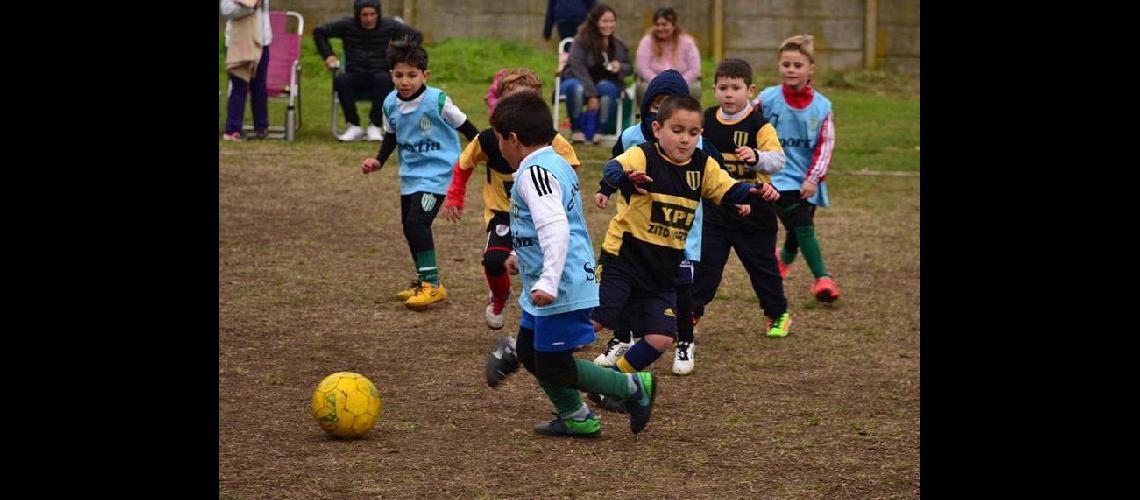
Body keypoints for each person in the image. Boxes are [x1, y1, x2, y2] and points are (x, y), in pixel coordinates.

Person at [488, 91, 657, 437]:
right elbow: (552, 226)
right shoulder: (553, 163)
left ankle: (632, 388)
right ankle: (576, 416)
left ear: (513, 139)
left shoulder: (534, 174)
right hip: (550, 279)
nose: (497, 148)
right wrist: (523, 256)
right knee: (530, 353)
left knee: (552, 363)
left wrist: (548, 280)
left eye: (498, 139)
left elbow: (556, 228)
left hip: (559, 286)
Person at [590, 95, 779, 393]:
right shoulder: (643, 155)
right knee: (597, 321)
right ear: (657, 129)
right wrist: (626, 178)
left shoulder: (702, 166)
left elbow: (729, 189)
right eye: (677, 130)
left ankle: (611, 381)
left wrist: (757, 191)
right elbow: (612, 168)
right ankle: (547, 354)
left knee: (660, 339)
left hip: (663, 268)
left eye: (693, 133)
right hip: (624, 260)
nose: (685, 139)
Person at [437, 69, 580, 383]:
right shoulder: (490, 139)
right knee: (493, 260)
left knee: (542, 274)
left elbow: (571, 169)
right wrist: (455, 197)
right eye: (513, 98)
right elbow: (463, 165)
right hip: (503, 215)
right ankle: (501, 299)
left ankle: (542, 336)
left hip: (541, 218)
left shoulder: (550, 145)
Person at [591, 70, 725, 378]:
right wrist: (606, 189)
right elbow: (614, 167)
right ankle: (622, 338)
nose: (660, 107)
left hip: (681, 233)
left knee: (681, 288)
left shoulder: (697, 142)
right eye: (656, 102)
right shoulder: (631, 138)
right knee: (625, 288)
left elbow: (720, 177)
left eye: (669, 102)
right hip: (638, 233)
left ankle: (685, 341)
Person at [360, 42, 480, 309]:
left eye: (412, 75)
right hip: (410, 176)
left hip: (439, 175)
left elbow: (468, 128)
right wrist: (378, 160)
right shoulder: (390, 103)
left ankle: (432, 285)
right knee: (408, 226)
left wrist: (488, 153)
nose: (405, 81)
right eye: (399, 75)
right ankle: (423, 279)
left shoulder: (437, 101)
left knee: (417, 223)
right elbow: (392, 135)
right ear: (391, 74)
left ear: (425, 75)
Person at [691, 58, 792, 339]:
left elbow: (778, 161)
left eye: (735, 88)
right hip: (718, 208)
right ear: (714, 89)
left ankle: (777, 313)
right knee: (706, 265)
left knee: (762, 268)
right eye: (723, 87)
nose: (729, 94)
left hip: (756, 210)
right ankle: (692, 313)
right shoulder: (706, 121)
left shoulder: (760, 126)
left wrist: (757, 157)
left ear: (750, 90)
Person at [752, 35, 840, 303]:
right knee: (801, 224)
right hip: (776, 176)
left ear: (810, 68)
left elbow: (825, 145)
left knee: (798, 227)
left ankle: (782, 262)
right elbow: (748, 122)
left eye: (797, 65)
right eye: (786, 64)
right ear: (779, 66)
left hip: (807, 178)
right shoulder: (767, 99)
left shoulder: (822, 106)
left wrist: (813, 179)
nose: (791, 69)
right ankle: (822, 279)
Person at [314, 0, 423, 142]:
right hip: (355, 74)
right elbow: (319, 32)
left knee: (384, 79)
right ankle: (353, 126)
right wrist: (328, 55)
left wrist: (400, 56)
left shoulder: (389, 25)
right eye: (364, 15)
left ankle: (375, 126)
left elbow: (417, 36)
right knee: (341, 80)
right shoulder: (347, 25)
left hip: (380, 74)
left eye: (372, 14)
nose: (368, 19)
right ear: (357, 15)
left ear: (378, 14)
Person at [559, 3, 631, 144]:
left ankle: (599, 131)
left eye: (611, 21)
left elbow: (629, 67)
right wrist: (592, 94)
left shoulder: (617, 43)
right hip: (577, 79)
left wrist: (620, 66)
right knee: (576, 87)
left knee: (609, 88)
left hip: (603, 82)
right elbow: (577, 67)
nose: (608, 25)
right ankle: (577, 130)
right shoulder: (581, 40)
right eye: (604, 21)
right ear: (595, 21)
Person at [221, 0, 272, 141]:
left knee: (259, 85)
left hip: (261, 41)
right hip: (237, 42)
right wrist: (251, 7)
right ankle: (233, 130)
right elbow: (226, 10)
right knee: (238, 85)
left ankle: (261, 128)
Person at [634, 7, 701, 108]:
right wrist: (660, 83)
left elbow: (694, 69)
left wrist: (678, 83)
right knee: (644, 88)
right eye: (657, 25)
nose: (660, 28)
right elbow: (643, 69)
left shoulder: (687, 42)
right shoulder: (647, 42)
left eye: (664, 24)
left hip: (681, 82)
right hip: (653, 83)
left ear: (673, 25)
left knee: (694, 88)